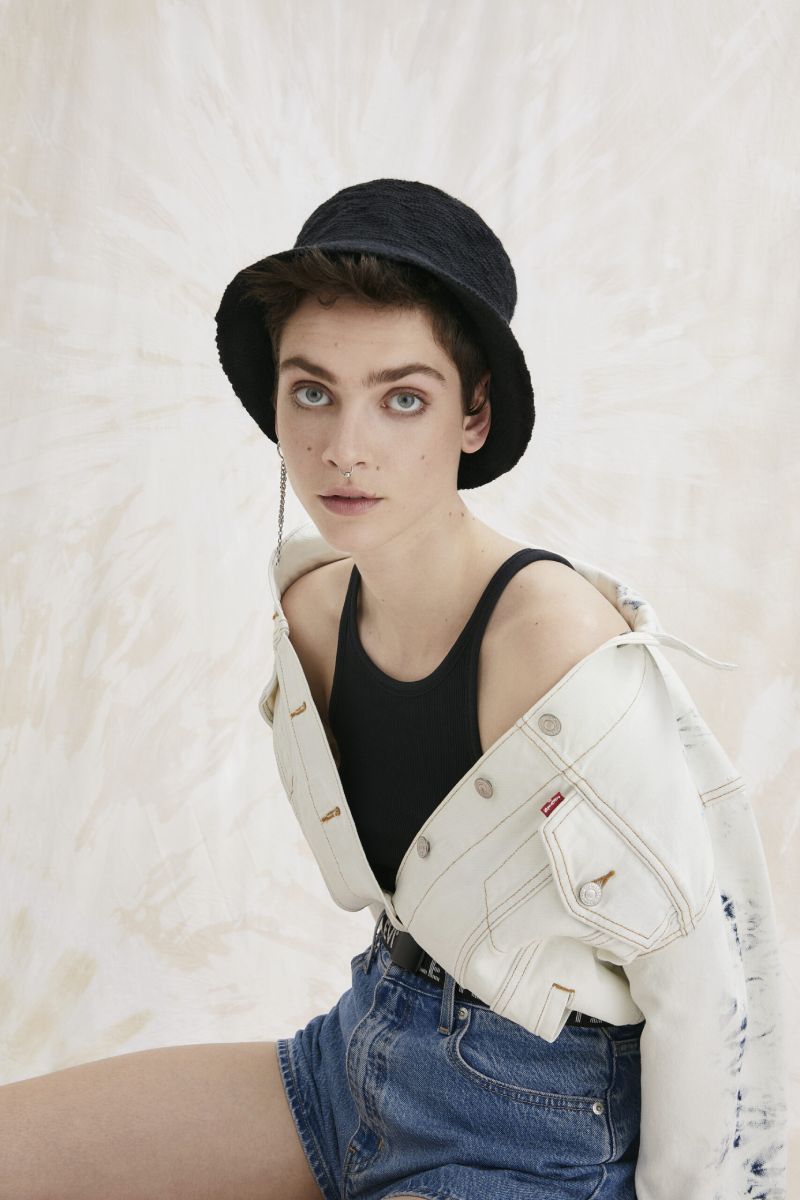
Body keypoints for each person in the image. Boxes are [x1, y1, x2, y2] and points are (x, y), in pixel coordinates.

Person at [0, 179, 785, 1200]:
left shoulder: (550, 642)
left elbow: (713, 986)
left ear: (473, 414)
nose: (344, 447)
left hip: (535, 1127)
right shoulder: (310, 608)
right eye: (312, 392)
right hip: (354, 1058)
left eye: (402, 398)